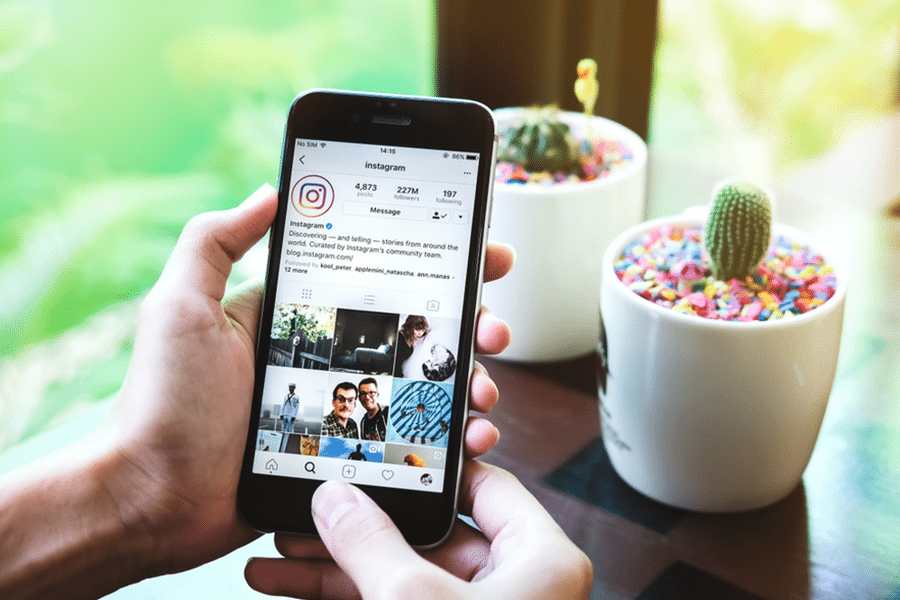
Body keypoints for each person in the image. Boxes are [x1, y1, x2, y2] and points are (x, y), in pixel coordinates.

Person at [0, 184, 592, 599]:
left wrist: (141, 493)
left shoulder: (393, 391)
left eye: (351, 400)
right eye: (343, 399)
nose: (347, 404)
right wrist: (142, 488)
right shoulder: (320, 413)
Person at [358, 377, 389, 441]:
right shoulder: (363, 423)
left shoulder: (389, 413)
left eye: (371, 392)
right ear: (359, 398)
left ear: (377, 395)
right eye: (363, 393)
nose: (367, 397)